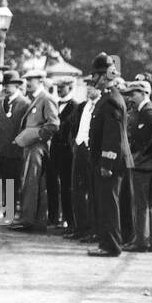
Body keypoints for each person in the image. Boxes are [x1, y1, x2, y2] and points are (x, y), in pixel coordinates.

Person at [88, 54, 131, 257]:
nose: (93, 79)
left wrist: (107, 162)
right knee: (104, 203)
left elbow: (112, 137)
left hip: (110, 163)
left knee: (109, 205)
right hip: (105, 161)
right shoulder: (107, 97)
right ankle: (106, 243)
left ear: (104, 75)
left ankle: (112, 245)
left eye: (96, 75)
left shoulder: (112, 100)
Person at [8, 69, 58, 232]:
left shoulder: (46, 98)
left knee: (32, 182)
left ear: (41, 80)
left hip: (38, 147)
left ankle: (28, 220)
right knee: (31, 182)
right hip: (31, 147)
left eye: (31, 79)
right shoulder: (35, 99)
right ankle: (32, 219)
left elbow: (53, 125)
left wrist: (34, 136)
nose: (27, 82)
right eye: (26, 79)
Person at [122, 79, 152, 252]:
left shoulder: (149, 112)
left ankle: (142, 241)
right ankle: (147, 239)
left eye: (133, 94)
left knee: (142, 203)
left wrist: (142, 155)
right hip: (147, 163)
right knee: (146, 203)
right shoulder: (145, 111)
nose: (131, 98)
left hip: (146, 165)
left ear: (144, 94)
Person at [0, 70, 29, 221]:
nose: (6, 88)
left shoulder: (25, 104)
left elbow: (25, 127)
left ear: (17, 85)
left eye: (10, 85)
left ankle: (9, 213)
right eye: (4, 84)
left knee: (10, 181)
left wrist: (18, 142)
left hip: (13, 150)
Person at [64, 76, 100, 243]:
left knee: (92, 192)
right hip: (79, 149)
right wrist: (74, 144)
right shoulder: (83, 106)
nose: (89, 89)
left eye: (93, 86)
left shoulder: (100, 106)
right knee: (77, 190)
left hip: (92, 151)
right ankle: (80, 227)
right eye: (88, 86)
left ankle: (93, 229)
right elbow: (73, 126)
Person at [48, 76, 80, 230]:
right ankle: (53, 218)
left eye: (62, 86)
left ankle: (70, 220)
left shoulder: (76, 106)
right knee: (53, 184)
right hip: (54, 149)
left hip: (67, 152)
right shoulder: (54, 103)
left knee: (67, 186)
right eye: (57, 86)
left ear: (70, 87)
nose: (59, 89)